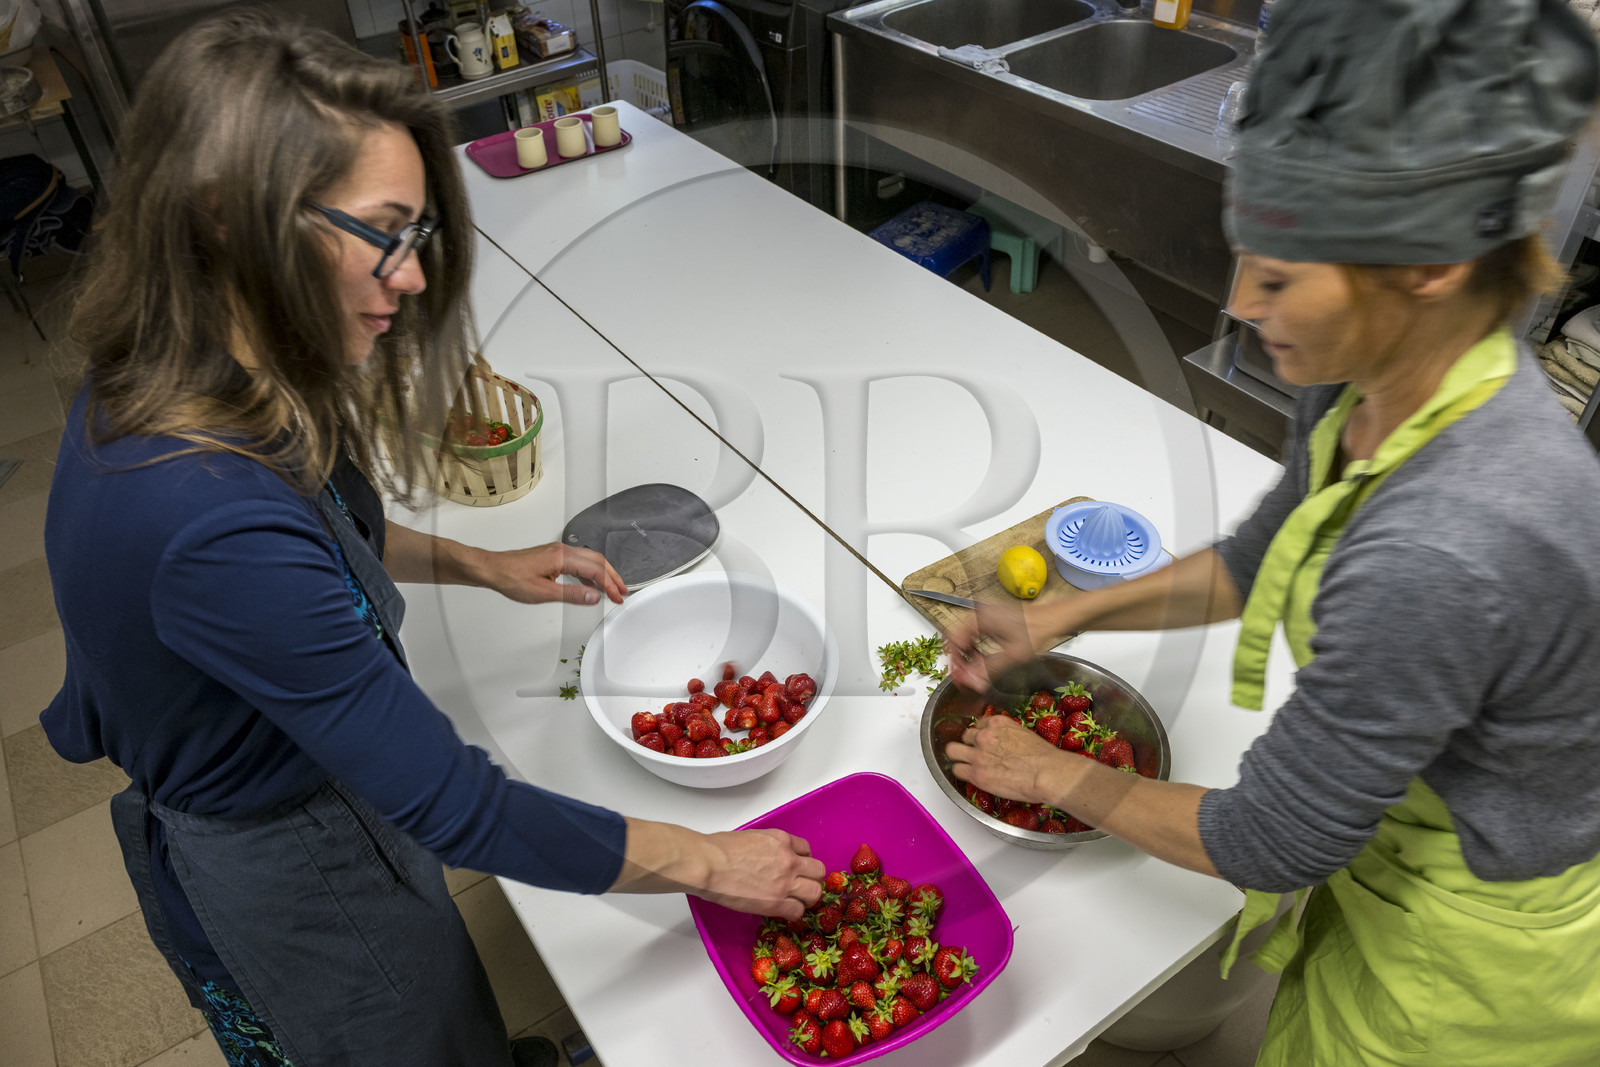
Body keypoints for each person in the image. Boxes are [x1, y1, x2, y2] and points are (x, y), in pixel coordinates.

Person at [41, 13, 821, 1067]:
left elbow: (319, 524)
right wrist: (711, 862)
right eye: (385, 232)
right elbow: (454, 804)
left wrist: (477, 562)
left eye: (420, 239)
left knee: (449, 1013)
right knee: (412, 1037)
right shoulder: (200, 513)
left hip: (316, 774)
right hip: (295, 847)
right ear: (232, 219)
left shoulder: (194, 366)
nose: (411, 278)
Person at [944, 1, 1600, 1063]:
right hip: (1392, 856)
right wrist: (1060, 613)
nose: (1244, 300)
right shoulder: (1364, 381)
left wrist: (1054, 773)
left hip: (1473, 965)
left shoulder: (1450, 540)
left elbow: (1274, 837)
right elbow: (1258, 559)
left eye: (1284, 273)